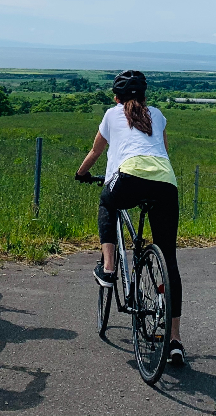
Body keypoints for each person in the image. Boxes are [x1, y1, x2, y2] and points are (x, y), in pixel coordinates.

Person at [75, 70, 185, 367]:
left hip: (128, 178)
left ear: (116, 96)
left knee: (107, 202)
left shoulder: (112, 114)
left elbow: (96, 151)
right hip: (165, 182)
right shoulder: (157, 115)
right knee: (169, 259)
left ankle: (109, 268)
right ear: (145, 96)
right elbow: (160, 149)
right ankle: (174, 340)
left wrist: (81, 173)